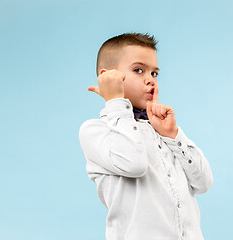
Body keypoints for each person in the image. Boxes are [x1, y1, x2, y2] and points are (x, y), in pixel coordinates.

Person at [79, 33, 213, 240]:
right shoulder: (95, 130)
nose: (150, 79)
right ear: (108, 76)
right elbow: (134, 164)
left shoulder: (161, 127)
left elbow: (204, 183)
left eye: (155, 73)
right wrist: (114, 100)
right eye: (138, 70)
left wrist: (172, 135)